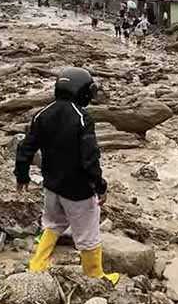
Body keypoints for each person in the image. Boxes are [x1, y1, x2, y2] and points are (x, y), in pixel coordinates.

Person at [15, 69, 119, 284]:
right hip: (78, 190)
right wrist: (100, 186)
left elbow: (25, 148)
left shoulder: (42, 114)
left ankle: (37, 265)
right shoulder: (82, 118)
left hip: (52, 186)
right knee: (88, 234)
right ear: (81, 90)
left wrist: (22, 175)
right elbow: (89, 159)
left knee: (52, 223)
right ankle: (95, 276)